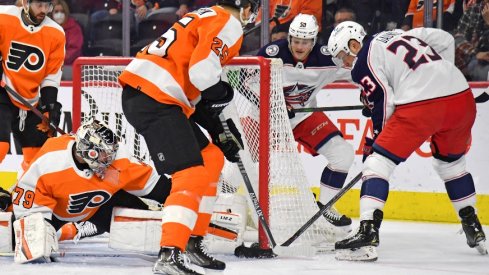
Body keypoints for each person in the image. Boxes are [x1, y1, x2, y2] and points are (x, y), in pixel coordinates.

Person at [118, 0, 259, 273]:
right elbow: (203, 75)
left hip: (154, 94)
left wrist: (218, 129)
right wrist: (224, 96)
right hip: (155, 97)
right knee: (190, 173)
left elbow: (191, 85)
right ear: (245, 8)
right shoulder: (228, 23)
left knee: (211, 157)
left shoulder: (203, 15)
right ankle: (170, 253)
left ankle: (193, 241)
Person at [327, 21, 487, 261]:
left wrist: (376, 140)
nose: (345, 64)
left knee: (377, 164)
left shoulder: (362, 60)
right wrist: (443, 79)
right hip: (461, 98)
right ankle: (473, 226)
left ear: (353, 43)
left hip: (423, 105)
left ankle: (368, 233)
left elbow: (384, 100)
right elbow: (445, 40)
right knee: (451, 165)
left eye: (343, 56)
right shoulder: (400, 34)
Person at [11, 119, 173, 263]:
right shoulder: (50, 161)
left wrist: (183, 202)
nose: (110, 159)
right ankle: (73, 228)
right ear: (87, 150)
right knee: (31, 246)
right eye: (104, 154)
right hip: (55, 212)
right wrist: (35, 230)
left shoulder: (119, 158)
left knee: (149, 231)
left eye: (111, 153)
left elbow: (160, 188)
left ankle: (83, 225)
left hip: (100, 206)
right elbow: (27, 204)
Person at [256, 13, 354, 233]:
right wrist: (275, 106)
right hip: (267, 121)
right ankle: (223, 205)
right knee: (239, 165)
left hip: (304, 117)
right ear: (289, 38)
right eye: (296, 41)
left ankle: (326, 207)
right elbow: (245, 84)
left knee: (343, 154)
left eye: (306, 42)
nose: (300, 46)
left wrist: (373, 94)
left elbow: (358, 74)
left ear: (314, 40)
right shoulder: (271, 55)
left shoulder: (327, 59)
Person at [0, 0, 64, 173]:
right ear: (26, 3)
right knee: (0, 147)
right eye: (39, 5)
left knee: (38, 159)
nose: (44, 10)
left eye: (47, 6)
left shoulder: (56, 33)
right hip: (3, 91)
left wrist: (50, 105)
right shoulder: (4, 16)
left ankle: (29, 195)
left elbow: (51, 75)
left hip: (31, 99)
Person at [49, 0, 83, 80]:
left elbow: (74, 50)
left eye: (62, 11)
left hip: (70, 65)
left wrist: (57, 59)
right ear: (52, 14)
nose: (59, 14)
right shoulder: (47, 28)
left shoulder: (74, 28)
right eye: (56, 11)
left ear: (66, 13)